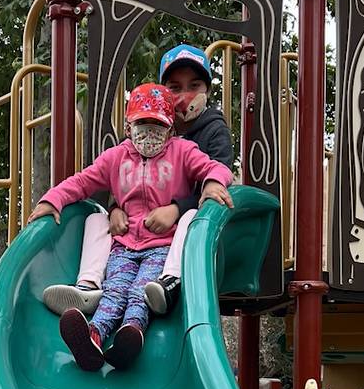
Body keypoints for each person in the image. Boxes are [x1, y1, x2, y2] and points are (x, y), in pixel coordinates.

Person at [28, 83, 233, 371]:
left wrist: (213, 182)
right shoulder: (117, 157)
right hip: (124, 244)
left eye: (157, 127)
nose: (149, 135)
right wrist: (53, 200)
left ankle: (132, 334)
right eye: (142, 126)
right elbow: (82, 182)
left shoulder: (183, 152)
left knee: (141, 291)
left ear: (171, 130)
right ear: (128, 127)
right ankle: (93, 335)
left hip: (161, 246)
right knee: (115, 289)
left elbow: (218, 167)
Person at [43, 44, 233, 316]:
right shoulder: (134, 143)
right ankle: (88, 285)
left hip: (179, 234)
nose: (185, 95)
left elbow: (218, 171)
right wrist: (112, 208)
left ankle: (171, 280)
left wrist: (179, 208)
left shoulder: (209, 133)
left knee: (192, 216)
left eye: (194, 85)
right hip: (135, 234)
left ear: (207, 91)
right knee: (95, 218)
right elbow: (110, 180)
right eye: (175, 88)